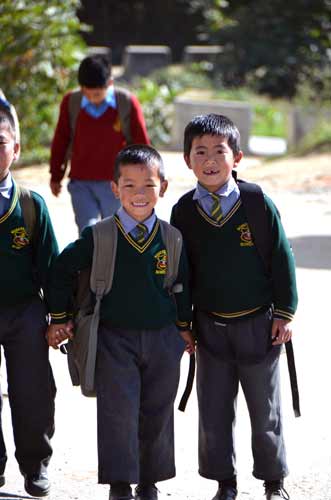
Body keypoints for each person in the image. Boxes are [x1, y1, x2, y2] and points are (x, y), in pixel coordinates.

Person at [46, 144, 195, 500]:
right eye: (129, 186)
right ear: (114, 189)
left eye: (148, 185)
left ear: (164, 187)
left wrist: (185, 328)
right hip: (114, 338)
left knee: (157, 410)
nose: (139, 194)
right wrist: (61, 317)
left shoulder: (171, 238)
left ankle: (149, 481)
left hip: (163, 339)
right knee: (118, 412)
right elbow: (61, 271)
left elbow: (182, 287)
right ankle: (119, 483)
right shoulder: (99, 236)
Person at [170, 114, 298, 500]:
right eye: (200, 152)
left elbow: (281, 258)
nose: (210, 159)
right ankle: (225, 483)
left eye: (219, 151)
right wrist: (183, 322)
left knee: (266, 412)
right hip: (209, 329)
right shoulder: (183, 212)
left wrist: (285, 313)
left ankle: (273, 482)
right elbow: (181, 273)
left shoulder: (257, 203)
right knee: (213, 413)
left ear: (237, 157)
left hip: (259, 325)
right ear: (187, 159)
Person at [0, 98, 58, 496]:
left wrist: (61, 317)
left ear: (15, 148)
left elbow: (51, 268)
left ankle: (35, 464)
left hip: (25, 312)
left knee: (33, 390)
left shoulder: (31, 205)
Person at [49, 54, 150, 234]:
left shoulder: (126, 103)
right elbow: (61, 140)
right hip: (81, 183)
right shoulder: (71, 102)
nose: (91, 97)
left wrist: (146, 179)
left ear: (109, 83)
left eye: (96, 93)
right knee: (88, 232)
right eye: (86, 92)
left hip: (116, 184)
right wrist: (56, 174)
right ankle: (93, 263)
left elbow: (141, 145)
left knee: (117, 232)